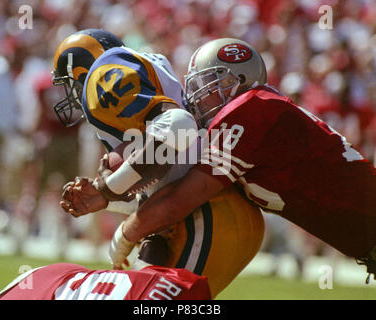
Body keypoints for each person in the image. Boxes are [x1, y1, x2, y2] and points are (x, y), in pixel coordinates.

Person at [100, 38, 376, 283]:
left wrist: (125, 234)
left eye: (205, 84)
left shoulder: (249, 110)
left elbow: (179, 202)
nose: (195, 96)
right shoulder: (258, 112)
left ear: (233, 81)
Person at [54, 30, 265, 298]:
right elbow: (166, 170)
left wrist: (109, 188)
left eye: (70, 83)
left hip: (203, 213)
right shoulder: (146, 66)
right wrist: (106, 197)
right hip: (209, 209)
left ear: (83, 71)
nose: (71, 93)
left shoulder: (103, 74)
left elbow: (178, 127)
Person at [0, 235, 211, 300]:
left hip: (50, 280)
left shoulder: (187, 288)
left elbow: (152, 256)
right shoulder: (189, 289)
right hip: (55, 280)